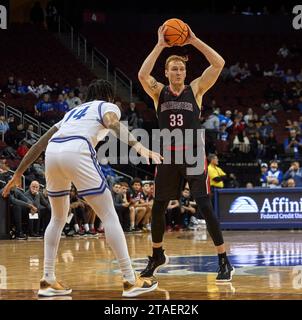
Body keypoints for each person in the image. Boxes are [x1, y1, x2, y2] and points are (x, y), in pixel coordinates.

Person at [2, 79, 162, 297]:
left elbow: (40, 143)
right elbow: (113, 123)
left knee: (57, 219)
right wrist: (140, 147)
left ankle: (48, 279)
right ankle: (130, 279)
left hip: (53, 153)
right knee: (108, 215)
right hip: (77, 149)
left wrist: (18, 174)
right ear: (109, 96)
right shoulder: (106, 106)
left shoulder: (72, 112)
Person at [138, 24, 234, 281]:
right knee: (158, 207)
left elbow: (218, 63)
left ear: (185, 71)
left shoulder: (196, 89)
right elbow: (142, 75)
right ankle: (157, 255)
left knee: (204, 205)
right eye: (174, 68)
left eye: (181, 68)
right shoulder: (159, 92)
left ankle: (223, 260)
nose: (178, 71)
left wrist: (193, 40)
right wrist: (160, 44)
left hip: (192, 155)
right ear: (167, 72)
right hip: (167, 157)